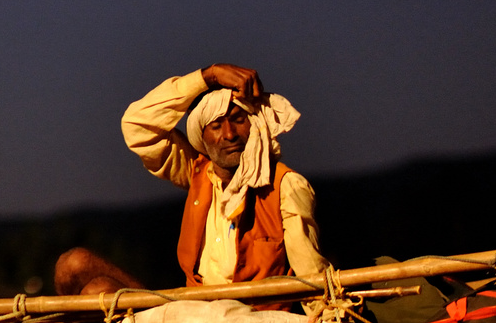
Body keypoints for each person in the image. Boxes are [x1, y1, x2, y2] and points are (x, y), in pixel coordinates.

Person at [53, 64, 327, 296]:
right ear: (202, 138)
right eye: (216, 126)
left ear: (254, 124)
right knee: (74, 263)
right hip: (193, 312)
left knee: (97, 290)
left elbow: (309, 272)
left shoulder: (284, 185)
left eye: (238, 119)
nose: (229, 134)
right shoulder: (197, 172)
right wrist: (208, 76)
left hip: (250, 321)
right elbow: (137, 126)